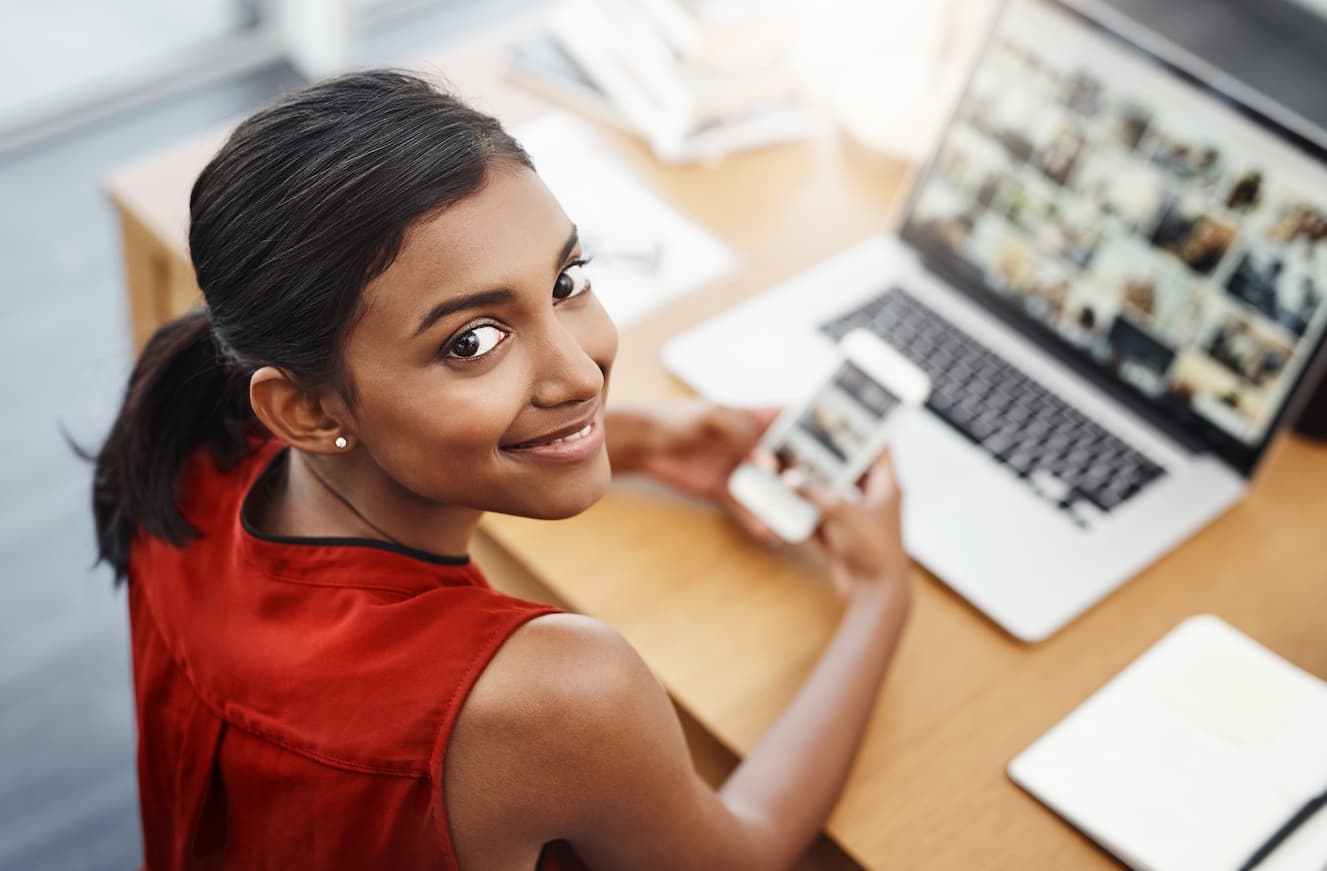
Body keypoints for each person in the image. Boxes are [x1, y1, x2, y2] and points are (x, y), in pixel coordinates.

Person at [89, 71, 913, 870]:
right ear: (306, 411)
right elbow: (744, 852)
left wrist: (648, 441)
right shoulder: (554, 696)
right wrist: (880, 597)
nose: (582, 377)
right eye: (472, 341)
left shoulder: (196, 434)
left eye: (566, 281)